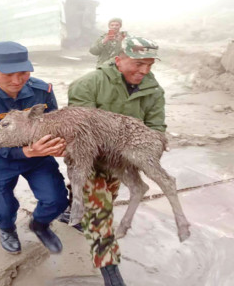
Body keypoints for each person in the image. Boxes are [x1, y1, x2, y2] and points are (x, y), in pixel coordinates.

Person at [67, 36, 165, 286]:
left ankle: (73, 208)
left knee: (107, 197)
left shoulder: (153, 90)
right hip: (90, 162)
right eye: (138, 63)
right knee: (100, 215)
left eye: (150, 65)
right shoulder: (88, 84)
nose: (144, 71)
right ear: (118, 59)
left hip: (124, 165)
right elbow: (82, 133)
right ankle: (112, 276)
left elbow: (156, 129)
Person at [0, 41, 69, 255]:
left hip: (37, 155)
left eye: (23, 73)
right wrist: (26, 151)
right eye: (8, 74)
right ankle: (7, 229)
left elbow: (55, 123)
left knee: (56, 199)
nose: (17, 80)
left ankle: (40, 224)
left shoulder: (42, 91)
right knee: (2, 208)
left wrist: (58, 146)